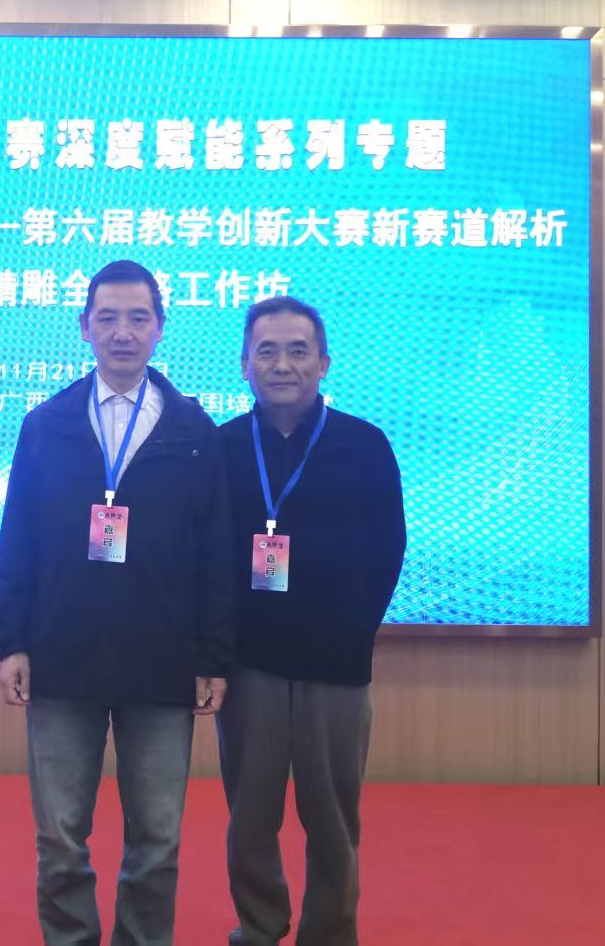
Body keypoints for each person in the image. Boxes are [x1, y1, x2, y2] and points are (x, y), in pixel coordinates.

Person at [0, 259, 234, 946]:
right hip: (63, 656)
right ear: (84, 327)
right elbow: (19, 536)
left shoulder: (193, 431)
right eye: (108, 318)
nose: (123, 332)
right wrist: (11, 641)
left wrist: (213, 656)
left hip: (162, 661)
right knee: (61, 837)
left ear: (160, 329)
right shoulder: (48, 424)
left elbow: (215, 552)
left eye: (138, 318)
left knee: (157, 840)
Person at [217, 296, 406, 946]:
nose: (282, 364)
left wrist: (352, 635)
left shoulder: (364, 444)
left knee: (332, 818)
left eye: (298, 351)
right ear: (244, 364)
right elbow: (203, 556)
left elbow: (388, 550)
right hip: (249, 666)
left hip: (335, 667)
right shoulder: (221, 448)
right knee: (250, 817)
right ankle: (259, 926)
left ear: (323, 362)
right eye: (266, 351)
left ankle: (330, 932)